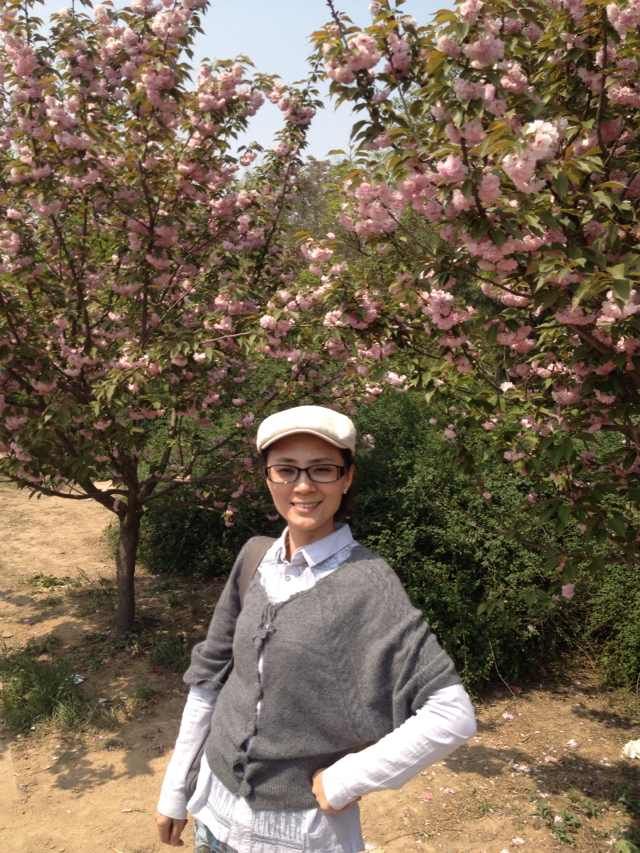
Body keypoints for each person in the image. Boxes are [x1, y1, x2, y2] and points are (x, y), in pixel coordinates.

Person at [155, 404, 477, 852]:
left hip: (294, 837)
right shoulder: (254, 558)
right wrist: (176, 789)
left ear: (347, 478)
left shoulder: (369, 583)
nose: (303, 485)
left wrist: (348, 778)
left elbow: (452, 713)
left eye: (322, 469)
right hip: (213, 815)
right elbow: (210, 677)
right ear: (268, 478)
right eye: (286, 469)